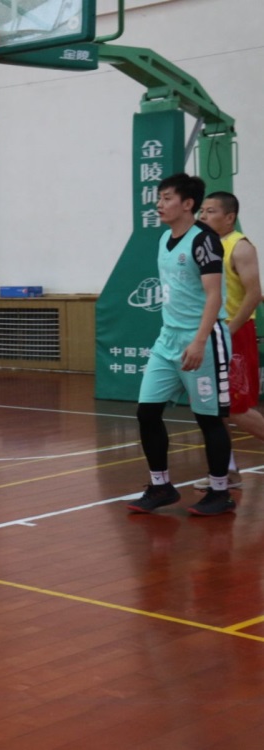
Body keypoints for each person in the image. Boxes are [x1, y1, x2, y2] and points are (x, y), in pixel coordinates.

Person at [127, 174, 234, 517]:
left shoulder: (204, 241)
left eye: (167, 198)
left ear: (188, 204)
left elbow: (214, 295)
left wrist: (199, 341)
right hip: (167, 339)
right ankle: (161, 486)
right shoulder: (164, 238)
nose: (159, 204)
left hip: (203, 338)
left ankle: (220, 492)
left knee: (209, 419)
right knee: (147, 412)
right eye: (159, 197)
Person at [194, 191, 263, 490]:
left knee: (236, 406)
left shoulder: (240, 246)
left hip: (234, 332)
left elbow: (254, 294)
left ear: (229, 217)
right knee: (212, 407)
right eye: (202, 211)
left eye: (210, 211)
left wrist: (229, 331)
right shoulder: (202, 245)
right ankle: (227, 472)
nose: (203, 216)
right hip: (207, 332)